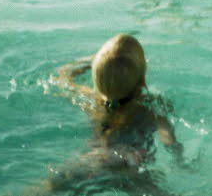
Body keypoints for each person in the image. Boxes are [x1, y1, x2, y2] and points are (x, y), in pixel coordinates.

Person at [23, 34, 180, 194]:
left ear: (96, 79)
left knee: (46, 188)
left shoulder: (90, 101)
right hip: (129, 166)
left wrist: (88, 61)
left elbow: (60, 77)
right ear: (142, 79)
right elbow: (169, 140)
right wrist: (180, 159)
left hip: (95, 161)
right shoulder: (153, 107)